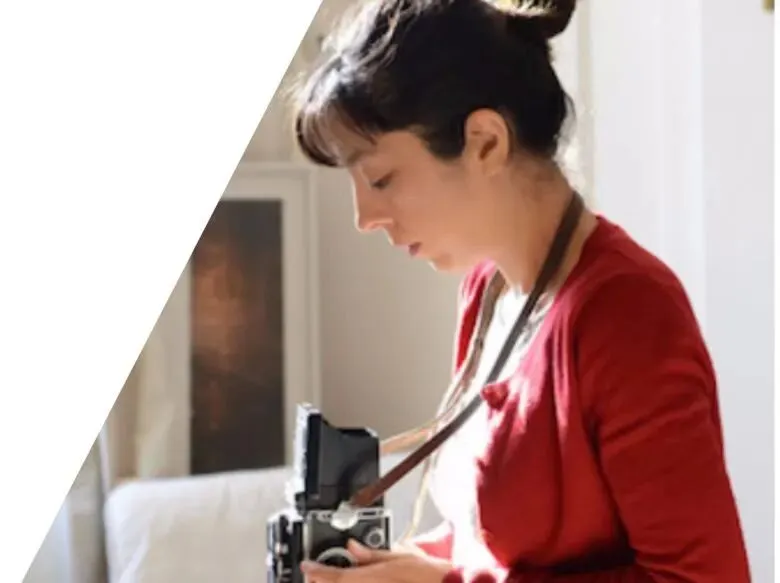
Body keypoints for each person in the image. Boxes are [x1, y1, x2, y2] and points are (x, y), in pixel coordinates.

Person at [289, 0, 752, 581]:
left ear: (485, 141)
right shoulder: (488, 290)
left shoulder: (627, 315)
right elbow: (504, 544)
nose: (365, 217)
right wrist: (405, 566)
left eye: (381, 178)